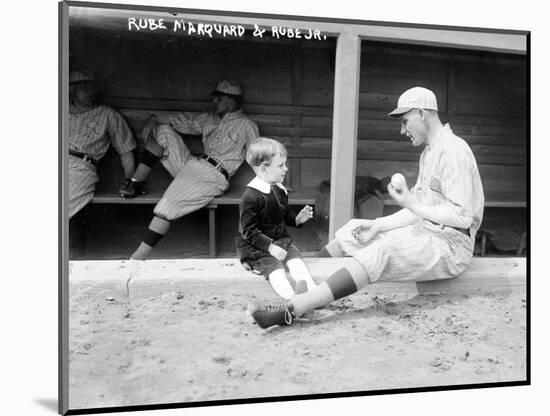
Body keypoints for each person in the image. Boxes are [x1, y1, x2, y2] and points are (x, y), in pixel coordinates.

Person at [248, 86, 485, 329]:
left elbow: (462, 217)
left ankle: (294, 308)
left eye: (405, 121)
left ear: (421, 113)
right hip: (427, 232)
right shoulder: (430, 153)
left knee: (381, 251)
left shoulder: (454, 151)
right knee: (352, 232)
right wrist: (377, 224)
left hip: (452, 244)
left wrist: (412, 205)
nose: (402, 130)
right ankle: (309, 288)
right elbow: (417, 211)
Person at [122, 80, 259, 260]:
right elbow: (174, 120)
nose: (214, 102)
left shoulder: (247, 125)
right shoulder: (209, 119)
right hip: (194, 164)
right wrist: (153, 120)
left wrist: (271, 184)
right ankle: (135, 182)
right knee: (163, 131)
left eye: (219, 99)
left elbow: (259, 155)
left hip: (214, 174)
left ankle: (137, 258)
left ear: (232, 102)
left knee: (167, 206)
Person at [236, 138, 316, 300]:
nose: (285, 169)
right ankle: (292, 299)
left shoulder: (280, 190)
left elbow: (283, 215)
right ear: (264, 169)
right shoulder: (250, 197)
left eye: (284, 164)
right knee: (276, 269)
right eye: (280, 165)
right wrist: (270, 247)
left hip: (281, 241)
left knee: (296, 262)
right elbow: (248, 232)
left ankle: (313, 294)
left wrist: (297, 219)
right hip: (256, 248)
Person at [68, 70, 137, 219]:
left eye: (92, 87)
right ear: (71, 90)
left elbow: (126, 151)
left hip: (80, 166)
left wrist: (130, 181)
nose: (89, 92)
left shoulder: (106, 114)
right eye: (82, 87)